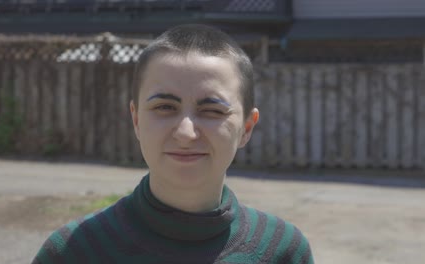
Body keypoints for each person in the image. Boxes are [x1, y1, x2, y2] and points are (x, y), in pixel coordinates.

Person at [33, 24, 314, 264]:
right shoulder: (74, 251)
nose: (186, 133)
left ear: (247, 128)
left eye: (212, 111)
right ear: (136, 120)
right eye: (165, 107)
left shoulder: (282, 251)